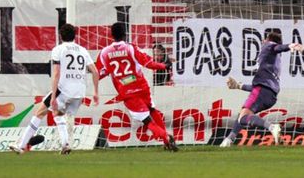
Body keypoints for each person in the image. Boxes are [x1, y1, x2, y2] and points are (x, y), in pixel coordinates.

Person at [10, 24, 100, 155]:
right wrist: (96, 92)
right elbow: (95, 72)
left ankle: (21, 145)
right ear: (75, 36)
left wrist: (53, 97)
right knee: (58, 114)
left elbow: (56, 73)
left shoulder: (58, 49)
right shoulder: (83, 50)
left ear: (60, 36)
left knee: (39, 113)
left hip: (64, 90)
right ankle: (65, 144)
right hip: (80, 93)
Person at [96, 22, 178, 151]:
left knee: (147, 121)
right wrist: (164, 65)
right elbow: (148, 63)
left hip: (127, 92)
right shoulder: (130, 48)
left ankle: (166, 137)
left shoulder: (105, 52)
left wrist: (88, 73)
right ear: (125, 34)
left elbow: (101, 73)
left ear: (111, 35)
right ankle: (165, 141)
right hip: (141, 86)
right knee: (152, 110)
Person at [220, 32, 304, 147]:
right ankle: (229, 140)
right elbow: (259, 87)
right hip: (270, 96)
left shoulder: (269, 46)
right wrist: (239, 86)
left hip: (262, 91)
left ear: (268, 40)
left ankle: (272, 127)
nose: (263, 41)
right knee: (243, 114)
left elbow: (277, 47)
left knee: (244, 117)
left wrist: (290, 45)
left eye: (265, 39)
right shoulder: (274, 61)